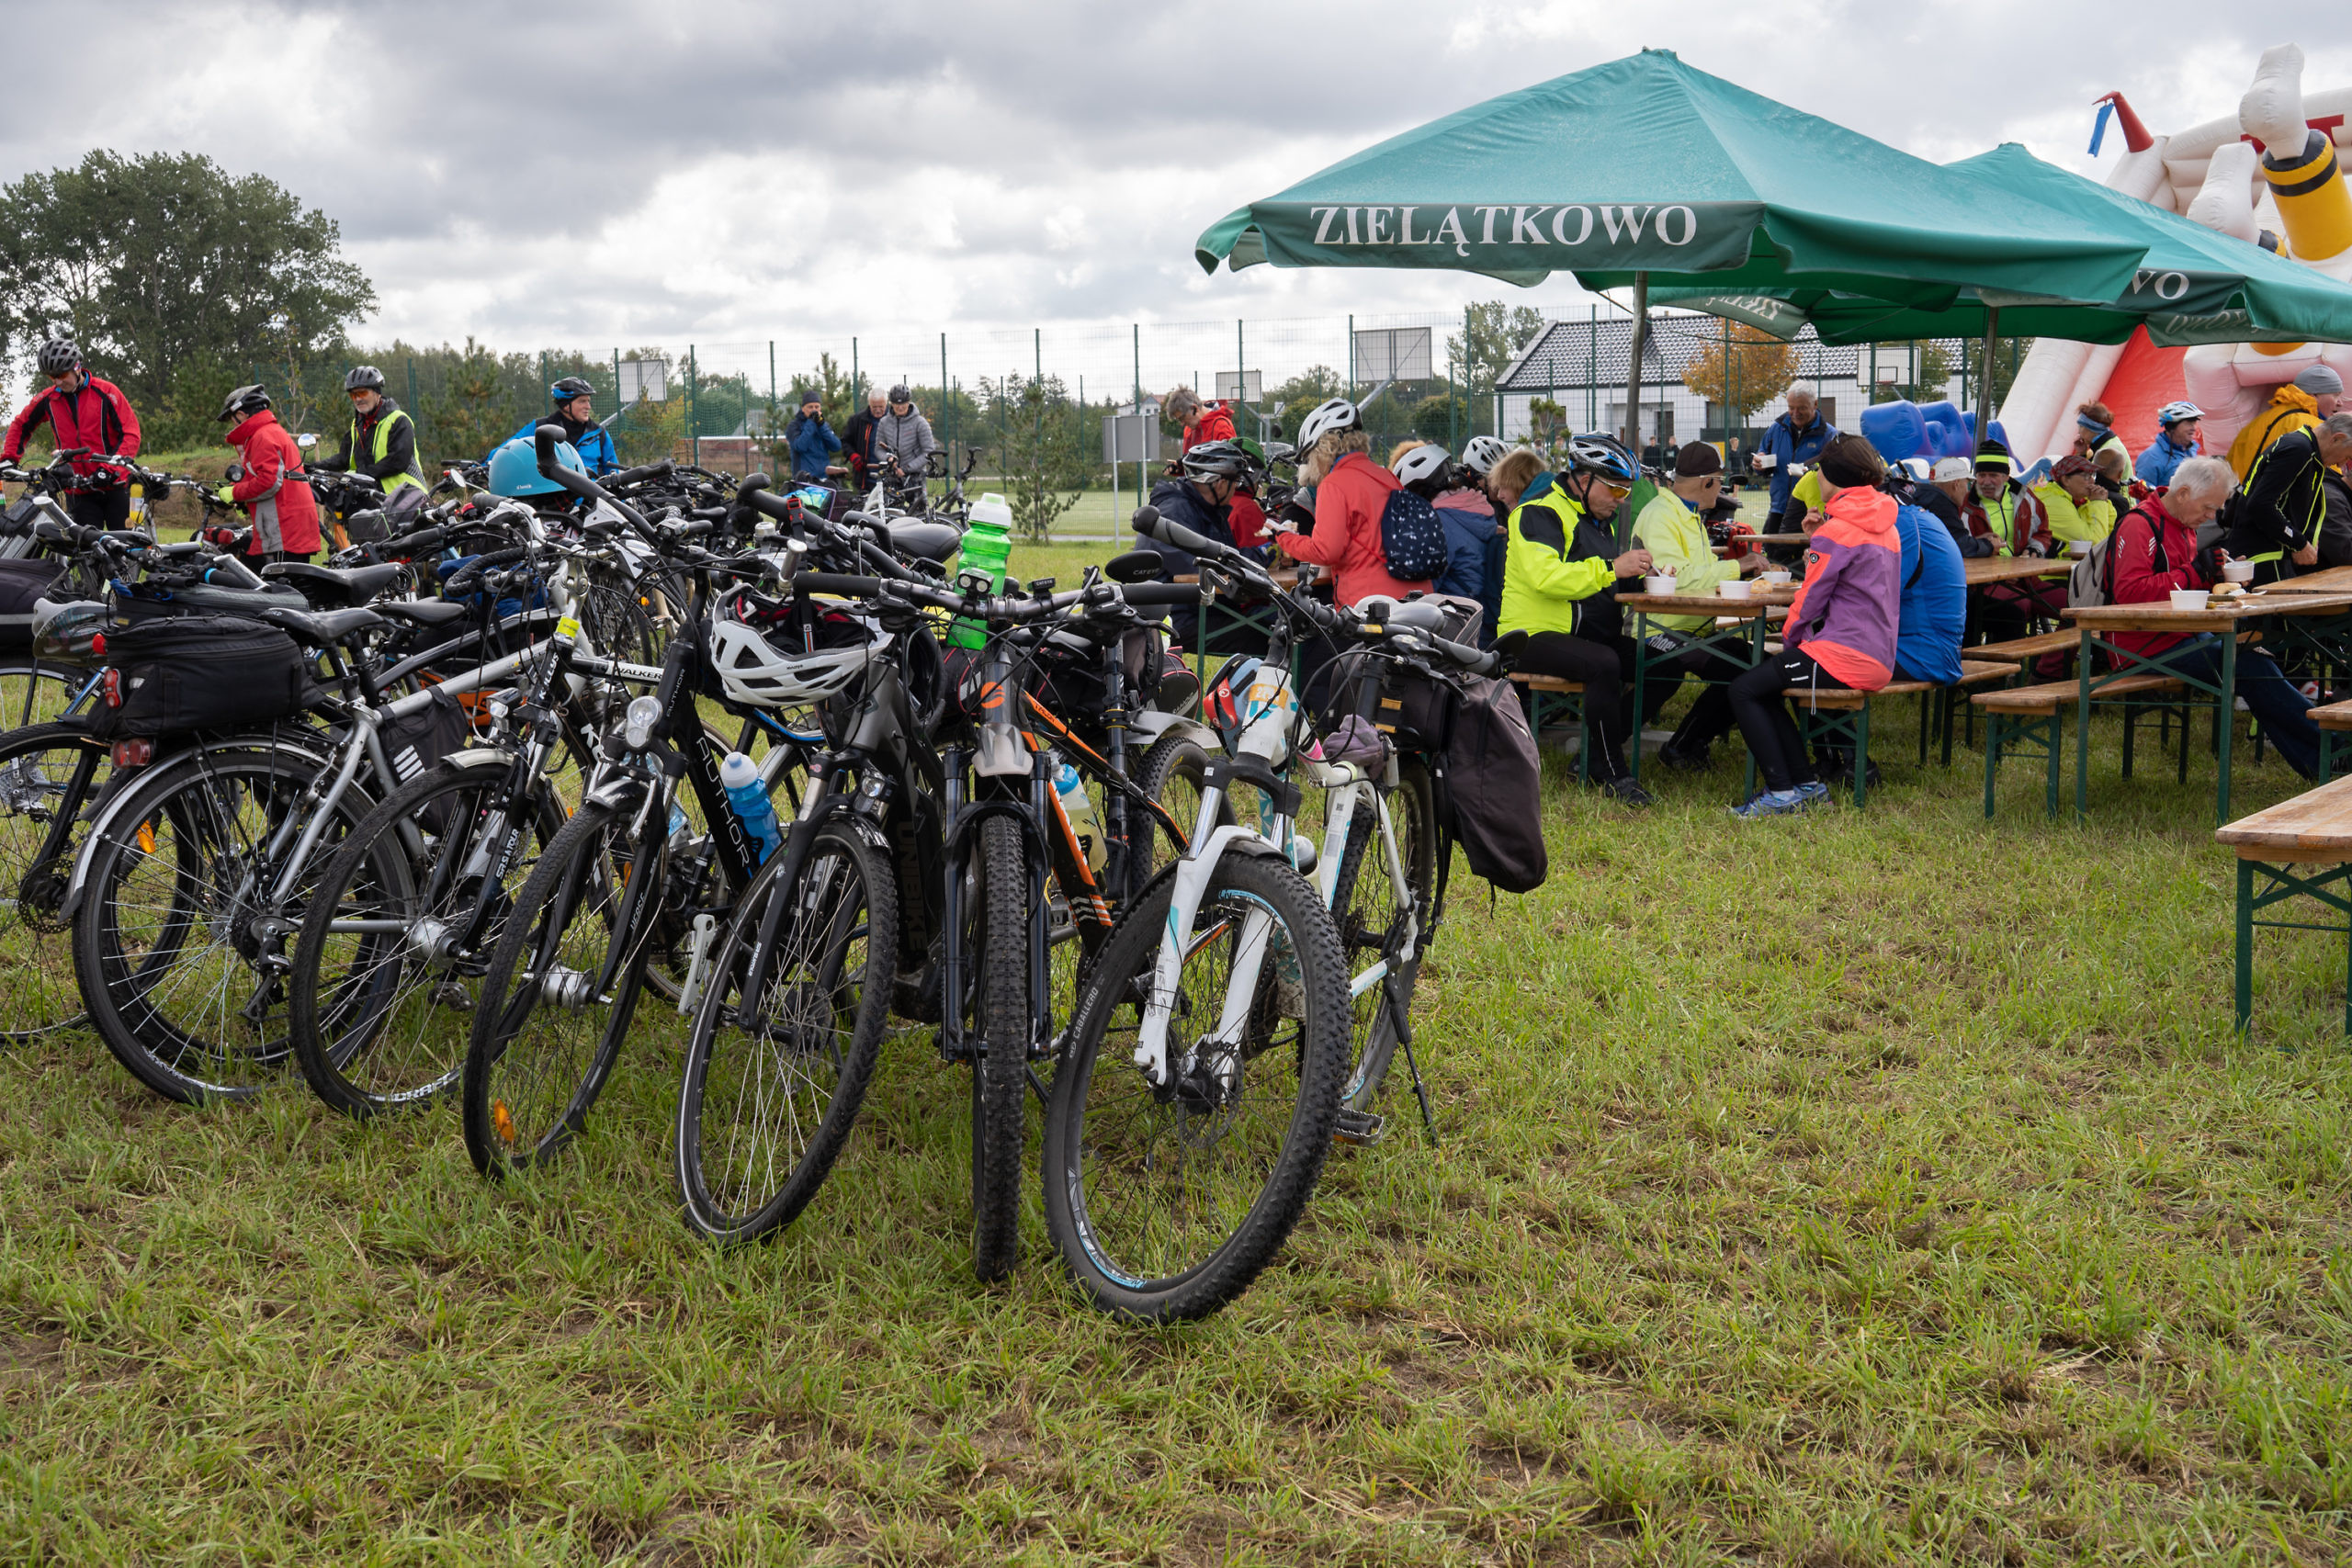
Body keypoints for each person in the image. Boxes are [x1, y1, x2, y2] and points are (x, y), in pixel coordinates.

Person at [2109, 455, 2324, 778]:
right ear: (2182, 493)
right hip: (2140, 644)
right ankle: (2327, 752)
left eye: (2217, 509)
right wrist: (2196, 570)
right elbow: (2129, 593)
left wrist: (2219, 577)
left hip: (2179, 634)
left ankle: (2321, 756)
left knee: (2257, 657)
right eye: (2208, 508)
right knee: (2252, 665)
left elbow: (2184, 587)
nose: (2212, 516)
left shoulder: (2184, 523)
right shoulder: (2140, 523)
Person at [1727, 435, 1900, 818]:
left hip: (1843, 655)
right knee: (1765, 689)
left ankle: (1782, 791)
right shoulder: (1885, 524)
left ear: (1832, 477)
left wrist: (1790, 640)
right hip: (1878, 655)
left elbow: (1809, 601)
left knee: (1743, 690)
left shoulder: (1836, 532)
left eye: (1819, 468)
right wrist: (1817, 540)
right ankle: (1805, 785)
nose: (1816, 474)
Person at [1494, 434, 1656, 806]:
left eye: (1626, 491)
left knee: (1662, 662)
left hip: (1585, 635)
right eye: (1615, 491)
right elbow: (1547, 578)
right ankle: (1612, 772)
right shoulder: (1537, 514)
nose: (1622, 500)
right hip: (1530, 636)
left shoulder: (1600, 521)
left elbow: (1601, 578)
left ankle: (1594, 755)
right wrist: (1614, 567)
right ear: (1584, 481)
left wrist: (1639, 574)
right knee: (1603, 664)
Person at [1630, 442, 1760, 771]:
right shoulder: (1661, 516)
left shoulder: (1688, 515)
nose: (1722, 490)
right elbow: (1680, 579)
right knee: (1739, 672)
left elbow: (1698, 580)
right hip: (1655, 627)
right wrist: (1739, 566)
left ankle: (1686, 745)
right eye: (1721, 482)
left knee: (1751, 664)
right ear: (1707, 482)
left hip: (1689, 626)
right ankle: (1683, 747)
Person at [1270, 399, 1431, 611]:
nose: (1310, 465)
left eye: (1310, 456)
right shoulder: (1386, 476)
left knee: (1309, 642)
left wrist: (1284, 537)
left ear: (1324, 449)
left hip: (1372, 607)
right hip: (1417, 599)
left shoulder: (1334, 484)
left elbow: (1326, 551)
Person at [1133, 439, 1267, 653]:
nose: (1237, 488)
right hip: (1169, 618)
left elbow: (1227, 558)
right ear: (1221, 483)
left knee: (1273, 623)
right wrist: (1263, 554)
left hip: (1195, 609)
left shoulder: (1208, 509)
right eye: (1237, 482)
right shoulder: (1175, 511)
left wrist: (1261, 556)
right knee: (1267, 636)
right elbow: (1206, 570)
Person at [1, 337, 142, 526]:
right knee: (84, 553)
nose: (58, 381)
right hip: (78, 491)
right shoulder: (49, 398)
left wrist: (112, 469)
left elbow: (131, 433)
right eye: (52, 377)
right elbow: (20, 424)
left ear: (77, 367)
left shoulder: (106, 392)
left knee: (124, 549)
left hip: (116, 486)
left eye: (62, 374)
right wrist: (10, 457)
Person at [2223, 411, 2352, 582]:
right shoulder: (2299, 449)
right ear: (2337, 438)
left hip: (2272, 554)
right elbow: (2260, 504)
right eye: (2347, 455)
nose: (2341, 463)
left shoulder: (2304, 449)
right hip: (2263, 556)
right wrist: (2299, 543)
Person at [214, 383, 322, 563]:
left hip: (284, 531)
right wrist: (239, 493)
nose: (232, 425)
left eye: (232, 419)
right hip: (289, 528)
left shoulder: (262, 437)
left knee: (281, 588)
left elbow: (269, 482)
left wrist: (235, 493)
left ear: (241, 414)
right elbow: (261, 475)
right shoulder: (271, 432)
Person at [317, 366, 427, 526]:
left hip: (406, 500)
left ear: (377, 392)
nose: (357, 399)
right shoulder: (357, 425)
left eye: (362, 393)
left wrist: (361, 476)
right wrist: (313, 467)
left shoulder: (399, 420)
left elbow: (398, 461)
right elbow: (344, 459)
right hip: (374, 499)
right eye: (353, 395)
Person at [2228, 364, 2343, 479]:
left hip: (2244, 495)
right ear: (2315, 395)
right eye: (2336, 395)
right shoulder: (2315, 428)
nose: (2340, 403)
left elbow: (2230, 466)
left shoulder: (2259, 421)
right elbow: (2331, 481)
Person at [504, 376, 617, 476]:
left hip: (592, 496)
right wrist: (487, 464)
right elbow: (508, 447)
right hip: (555, 495)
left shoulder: (598, 433)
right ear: (566, 406)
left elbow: (613, 471)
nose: (588, 406)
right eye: (582, 401)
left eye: (588, 401)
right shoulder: (541, 427)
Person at [1755, 384, 1836, 518]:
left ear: (1815, 404)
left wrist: (1806, 469)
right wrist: (1759, 463)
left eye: (1802, 408)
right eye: (1791, 408)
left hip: (1811, 511)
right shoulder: (1776, 429)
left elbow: (1834, 471)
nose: (1795, 413)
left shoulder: (1829, 435)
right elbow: (1761, 457)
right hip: (1778, 508)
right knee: (1769, 539)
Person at [2031, 453, 2119, 549]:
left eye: (2092, 475)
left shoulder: (2081, 500)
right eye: (2086, 476)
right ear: (2066, 480)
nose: (2092, 481)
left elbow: (2112, 533)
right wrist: (2098, 503)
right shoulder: (2053, 503)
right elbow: (2095, 544)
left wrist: (2104, 502)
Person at [872, 385, 937, 498]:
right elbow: (878, 449)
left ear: (909, 402)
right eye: (897, 404)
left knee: (918, 512)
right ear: (891, 403)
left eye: (903, 404)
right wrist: (889, 458)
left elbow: (928, 451)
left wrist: (907, 469)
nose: (900, 407)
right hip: (892, 475)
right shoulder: (884, 422)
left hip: (915, 476)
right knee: (891, 512)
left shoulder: (920, 423)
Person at [1928, 457, 1997, 558]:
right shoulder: (1942, 506)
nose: (1967, 491)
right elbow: (1961, 547)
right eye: (1967, 484)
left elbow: (1953, 540)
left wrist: (1978, 540)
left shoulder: (1923, 499)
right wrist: (1990, 546)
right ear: (1956, 484)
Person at [2135, 400, 2203, 489]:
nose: (2194, 428)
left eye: (2194, 423)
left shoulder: (2191, 449)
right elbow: (2143, 498)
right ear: (2171, 427)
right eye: (2188, 423)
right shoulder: (2150, 458)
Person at [785, 390, 842, 482]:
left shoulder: (823, 425)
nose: (814, 410)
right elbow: (800, 446)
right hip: (804, 479)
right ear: (803, 409)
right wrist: (811, 423)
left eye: (817, 407)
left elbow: (836, 446)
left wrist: (822, 426)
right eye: (810, 407)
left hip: (824, 478)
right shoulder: (794, 426)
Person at [1165, 386, 1235, 455]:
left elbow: (1229, 461)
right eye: (1179, 420)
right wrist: (1178, 465)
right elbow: (1188, 459)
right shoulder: (1188, 430)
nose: (1182, 423)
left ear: (1195, 408)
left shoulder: (1222, 426)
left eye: (1182, 418)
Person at [2069, 400, 2132, 478]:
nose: (2078, 431)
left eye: (2080, 426)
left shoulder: (2108, 451)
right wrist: (2082, 453)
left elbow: (2086, 483)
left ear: (2090, 429)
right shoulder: (2106, 443)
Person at [842, 388, 888, 490]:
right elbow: (845, 442)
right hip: (864, 480)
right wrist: (853, 456)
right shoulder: (857, 421)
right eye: (874, 407)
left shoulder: (894, 421)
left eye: (881, 406)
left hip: (889, 479)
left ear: (886, 404)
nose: (878, 410)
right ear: (869, 404)